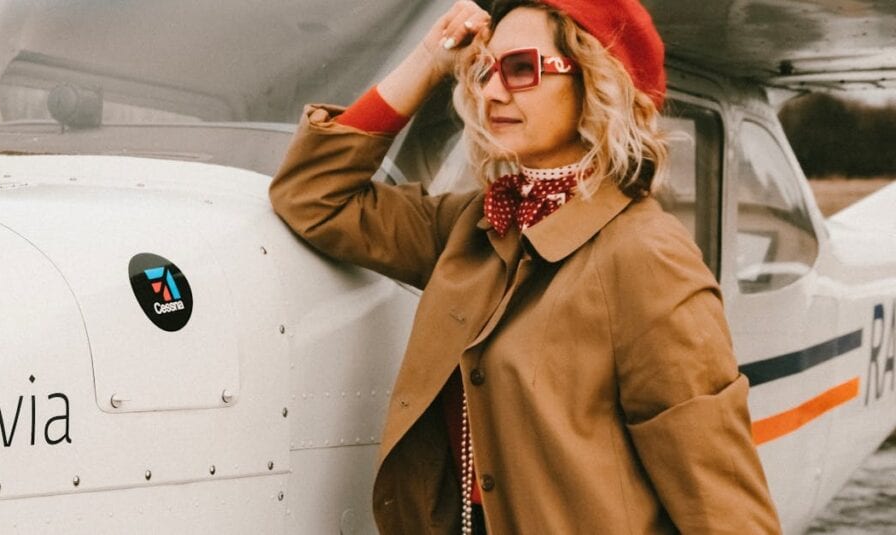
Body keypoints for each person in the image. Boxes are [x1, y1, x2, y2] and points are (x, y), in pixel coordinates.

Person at [270, 0, 782, 533]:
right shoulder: (472, 227)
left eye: (521, 69)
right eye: (484, 70)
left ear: (596, 80)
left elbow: (718, 496)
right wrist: (429, 58)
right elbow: (313, 195)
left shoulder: (648, 254)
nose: (492, 92)